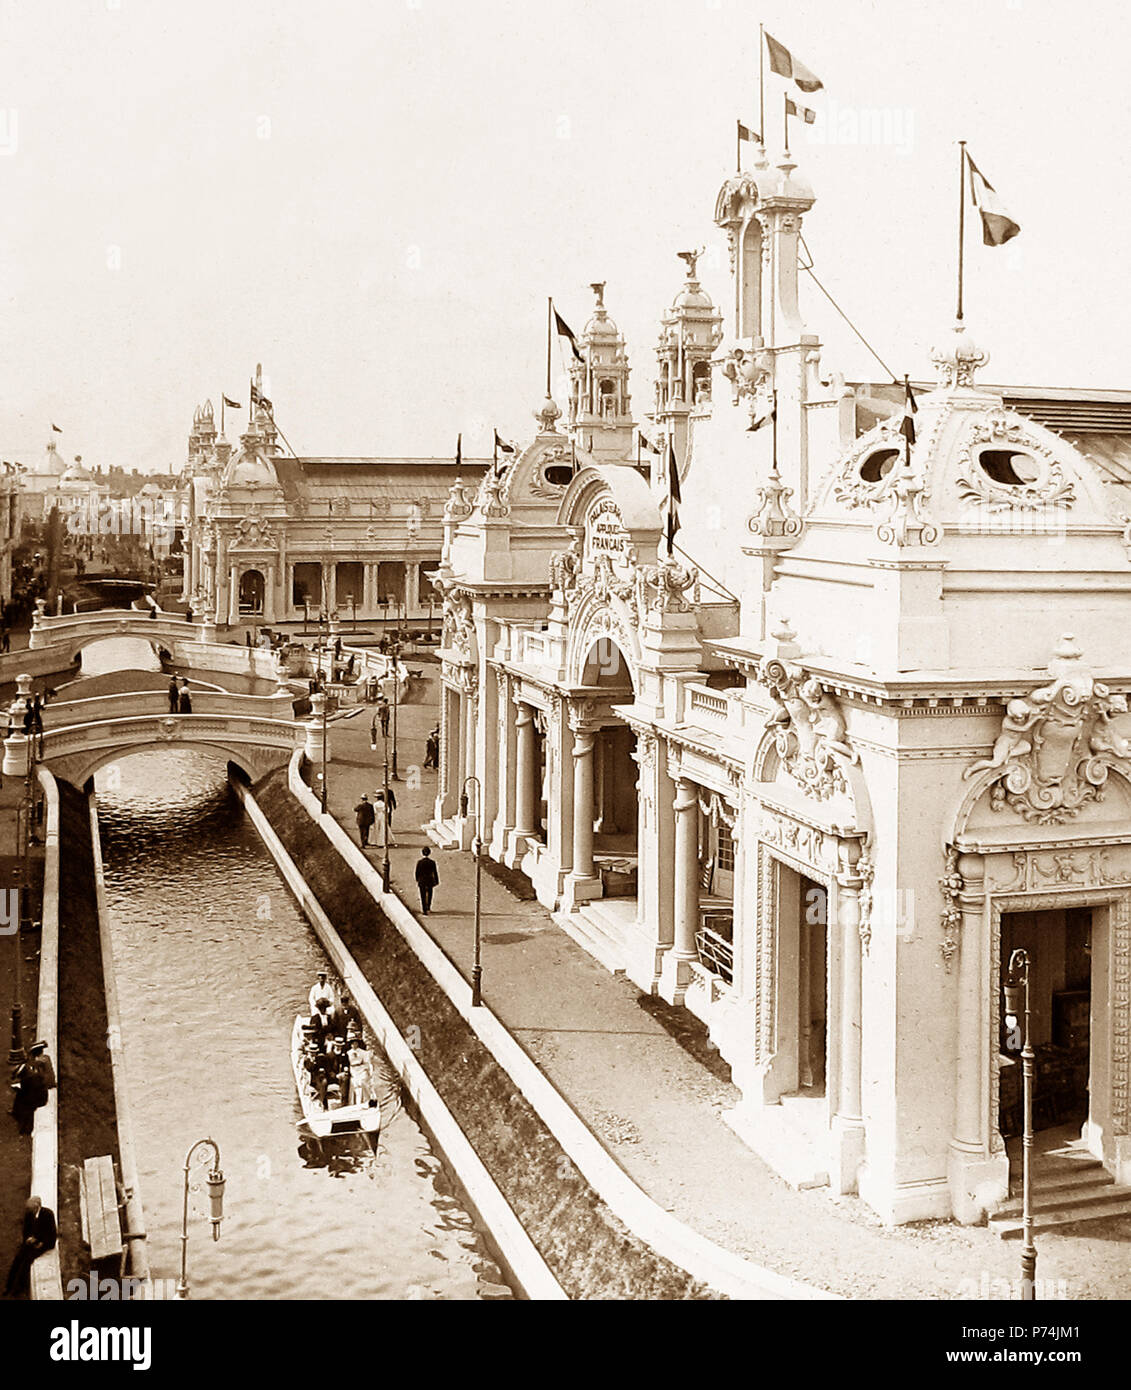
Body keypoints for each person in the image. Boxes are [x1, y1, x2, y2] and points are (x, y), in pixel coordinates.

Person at [4, 1197, 57, 1299]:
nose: (29, 1211)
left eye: (31, 1208)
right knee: (18, 1258)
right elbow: (26, 1230)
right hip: (31, 1243)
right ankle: (8, 1286)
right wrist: (28, 1239)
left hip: (43, 1244)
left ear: (37, 1206)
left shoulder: (48, 1214)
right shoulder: (29, 1214)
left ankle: (19, 1289)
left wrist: (39, 1241)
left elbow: (51, 1234)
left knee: (27, 1262)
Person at [10, 1042, 56, 1135]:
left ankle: (25, 1129)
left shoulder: (37, 1065)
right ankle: (16, 1113)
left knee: (27, 1105)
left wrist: (21, 1090)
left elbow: (34, 1087)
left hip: (39, 1095)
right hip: (39, 1090)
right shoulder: (43, 1059)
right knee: (21, 1096)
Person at [414, 847, 439, 915]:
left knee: (422, 895)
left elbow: (417, 872)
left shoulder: (419, 862)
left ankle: (424, 909)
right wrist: (436, 881)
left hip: (422, 881)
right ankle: (428, 907)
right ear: (429, 853)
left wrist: (417, 879)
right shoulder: (432, 862)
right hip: (429, 880)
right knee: (430, 894)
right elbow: (435, 872)